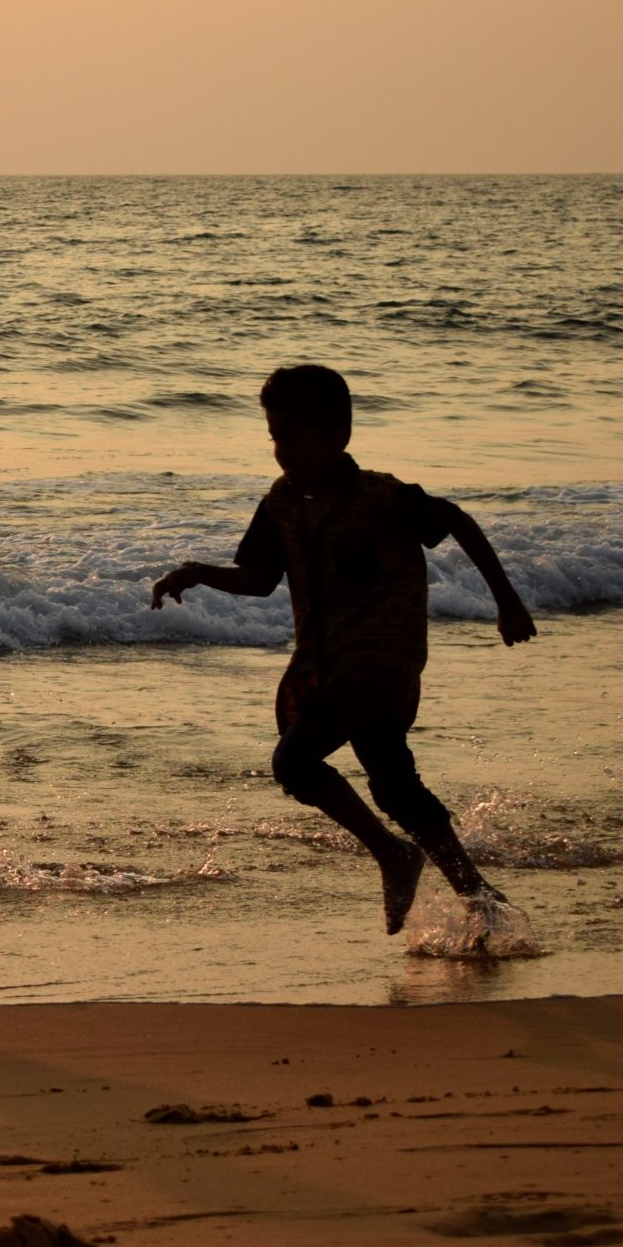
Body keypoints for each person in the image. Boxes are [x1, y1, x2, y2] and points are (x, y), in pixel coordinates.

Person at [151, 363, 537, 935]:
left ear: (338, 438)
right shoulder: (280, 503)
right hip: (326, 662)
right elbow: (259, 578)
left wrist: (508, 601)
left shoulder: (383, 497)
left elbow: (456, 520)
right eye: (275, 438)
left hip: (385, 660)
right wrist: (197, 573)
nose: (283, 452)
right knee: (394, 785)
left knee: (294, 761)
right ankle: (479, 896)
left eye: (294, 439)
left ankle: (392, 854)